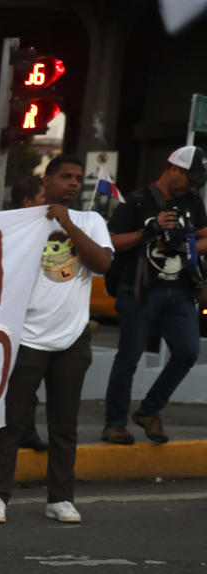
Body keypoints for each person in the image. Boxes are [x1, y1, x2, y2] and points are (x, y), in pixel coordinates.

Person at [0, 154, 111, 525]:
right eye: (65, 177)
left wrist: (67, 223)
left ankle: (60, 498)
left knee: (63, 424)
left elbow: (101, 264)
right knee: (8, 421)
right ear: (48, 180)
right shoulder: (23, 222)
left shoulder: (90, 220)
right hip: (26, 338)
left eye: (77, 178)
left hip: (72, 340)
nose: (73, 183)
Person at [100, 144, 207, 444]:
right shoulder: (135, 203)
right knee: (129, 357)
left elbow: (205, 236)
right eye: (191, 178)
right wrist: (148, 231)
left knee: (187, 351)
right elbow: (110, 244)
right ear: (173, 169)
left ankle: (150, 410)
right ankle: (115, 422)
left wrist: (184, 245)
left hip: (181, 289)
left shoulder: (193, 203)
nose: (195, 185)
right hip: (140, 290)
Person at [0, 177, 47, 453]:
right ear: (27, 202)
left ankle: (27, 430)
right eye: (43, 197)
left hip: (25, 314)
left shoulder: (49, 229)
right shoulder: (3, 227)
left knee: (26, 378)